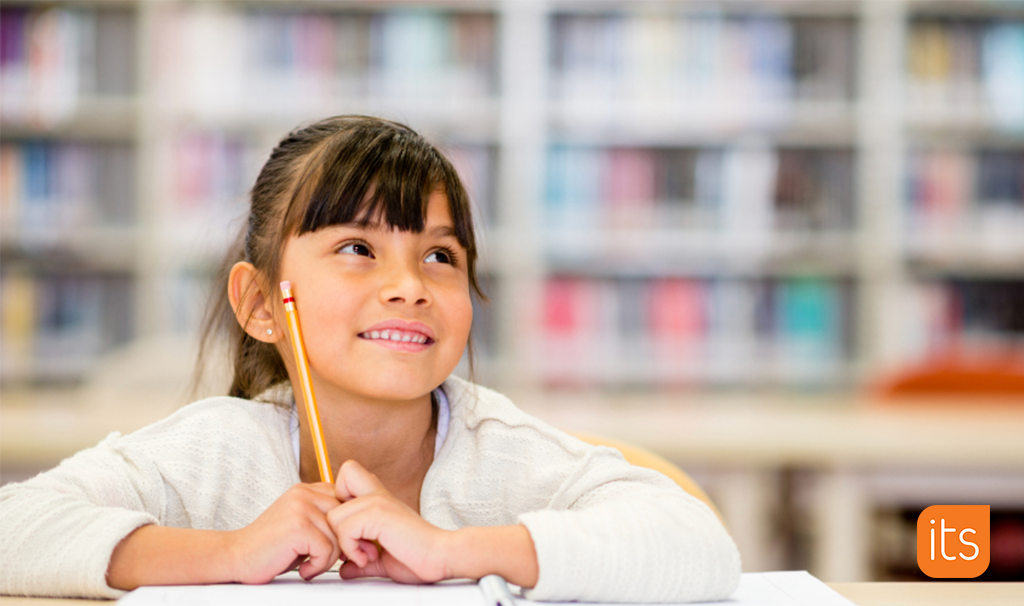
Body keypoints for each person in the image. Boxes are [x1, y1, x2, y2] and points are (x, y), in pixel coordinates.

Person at [0, 116, 741, 602]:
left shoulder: (506, 457)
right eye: (357, 249)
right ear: (262, 304)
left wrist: (449, 550)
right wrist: (228, 551)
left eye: (440, 256)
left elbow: (700, 547)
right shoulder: (212, 454)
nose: (408, 287)